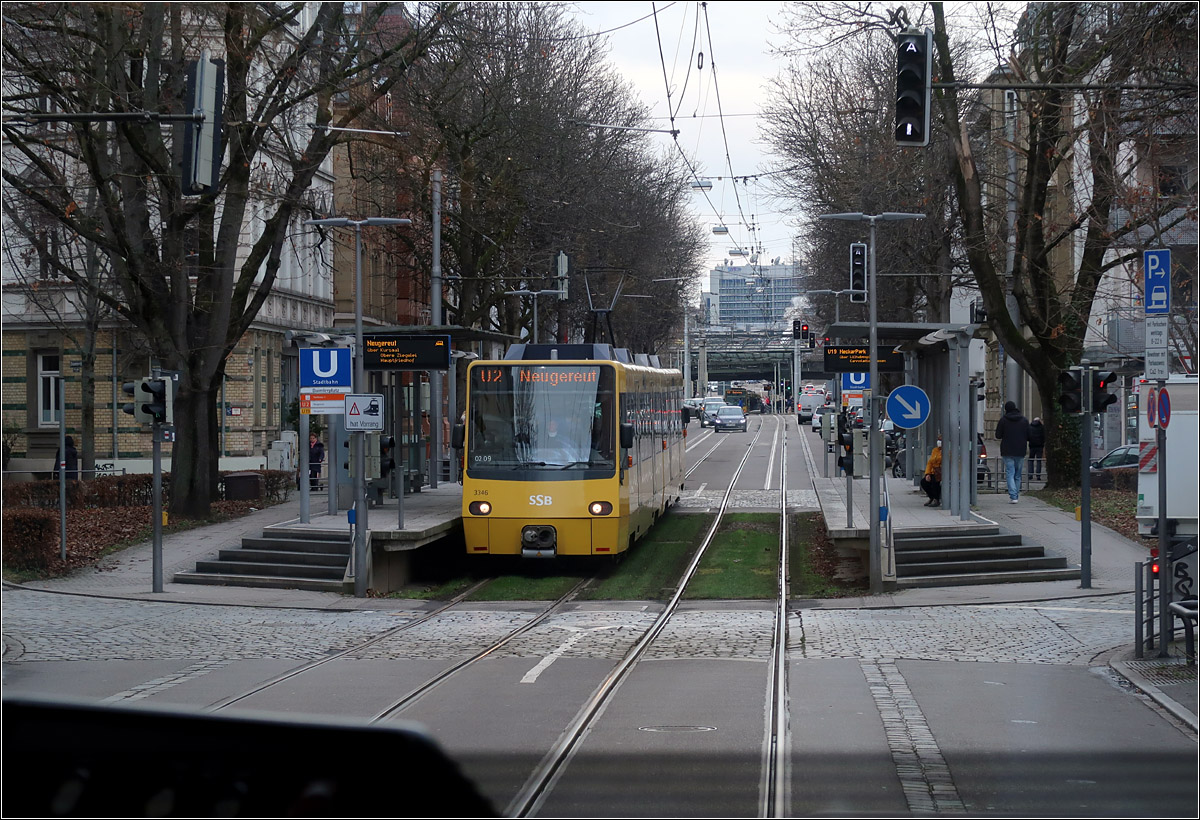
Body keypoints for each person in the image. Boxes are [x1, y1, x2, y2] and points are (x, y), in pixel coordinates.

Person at [996, 400, 1031, 503]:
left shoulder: (1003, 420)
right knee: (1018, 474)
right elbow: (1029, 436)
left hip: (1007, 450)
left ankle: (1013, 495)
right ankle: (1015, 494)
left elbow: (998, 435)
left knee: (1010, 472)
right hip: (1020, 449)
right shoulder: (1024, 420)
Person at [920, 438, 943, 507]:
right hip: (934, 472)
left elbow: (943, 459)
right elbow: (930, 463)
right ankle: (931, 497)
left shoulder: (947, 450)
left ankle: (936, 499)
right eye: (938, 440)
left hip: (941, 472)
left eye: (941, 440)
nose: (939, 442)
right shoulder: (935, 450)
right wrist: (928, 473)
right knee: (924, 482)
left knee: (935, 483)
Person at [1027, 417, 1046, 481]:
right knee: (1038, 461)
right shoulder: (1042, 427)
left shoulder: (1029, 427)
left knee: (1031, 460)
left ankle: (1030, 474)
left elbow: (1028, 436)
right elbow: (1044, 436)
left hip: (1032, 446)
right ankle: (1038, 475)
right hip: (1040, 446)